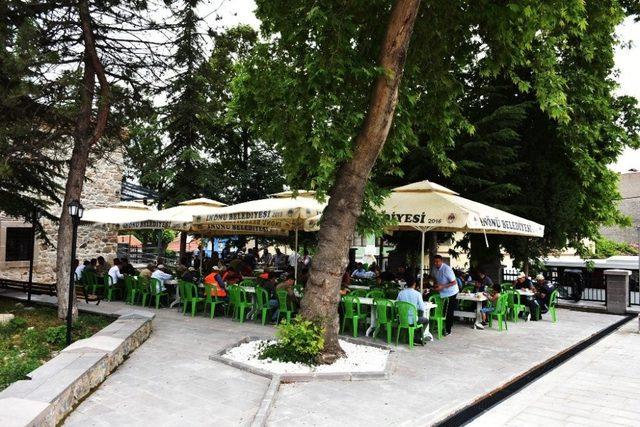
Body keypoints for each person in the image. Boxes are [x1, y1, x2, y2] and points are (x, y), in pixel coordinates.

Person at [396, 277, 428, 344]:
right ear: (414, 284)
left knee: (418, 318)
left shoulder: (401, 293)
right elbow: (422, 308)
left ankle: (410, 336)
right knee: (425, 320)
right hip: (412, 320)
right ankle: (416, 338)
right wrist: (416, 306)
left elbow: (397, 304)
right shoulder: (417, 294)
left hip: (402, 319)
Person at [432, 255, 458, 336]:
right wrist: (435, 284)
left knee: (449, 311)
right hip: (442, 292)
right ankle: (441, 326)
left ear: (441, 261)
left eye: (438, 262)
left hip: (452, 292)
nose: (436, 263)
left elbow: (454, 282)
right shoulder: (434, 269)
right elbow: (435, 278)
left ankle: (448, 330)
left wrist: (442, 286)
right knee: (442, 310)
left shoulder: (447, 269)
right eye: (435, 262)